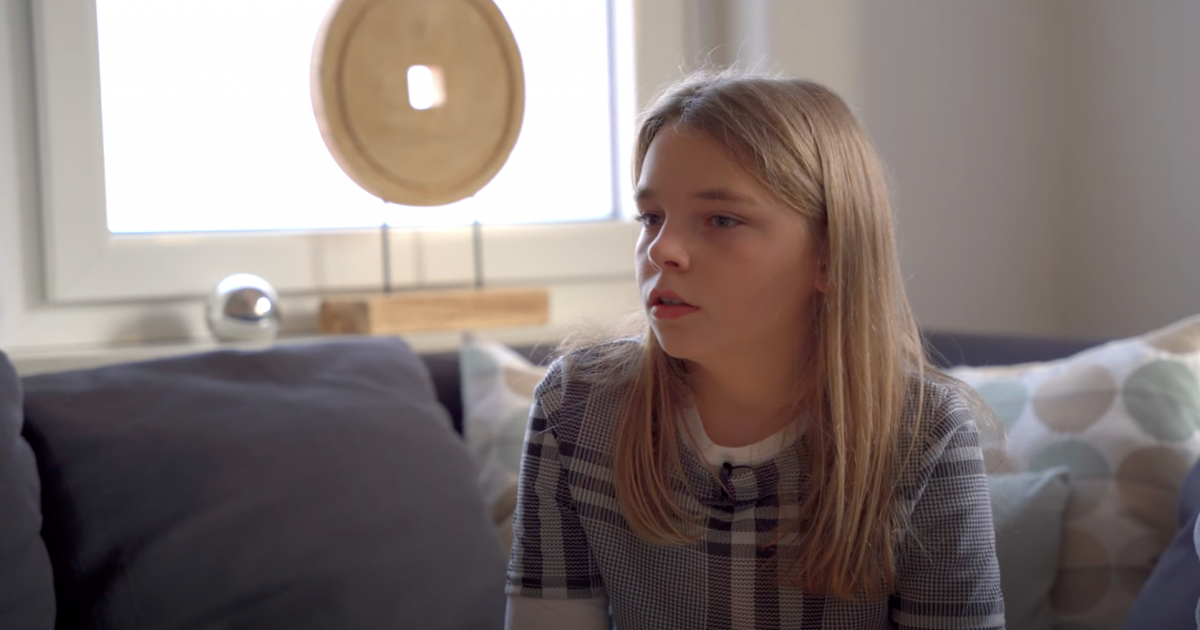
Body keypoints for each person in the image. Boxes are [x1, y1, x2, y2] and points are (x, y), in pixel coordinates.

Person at [504, 70, 1005, 630]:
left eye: (721, 220)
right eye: (651, 217)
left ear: (828, 256)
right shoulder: (578, 406)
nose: (662, 249)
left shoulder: (922, 435)